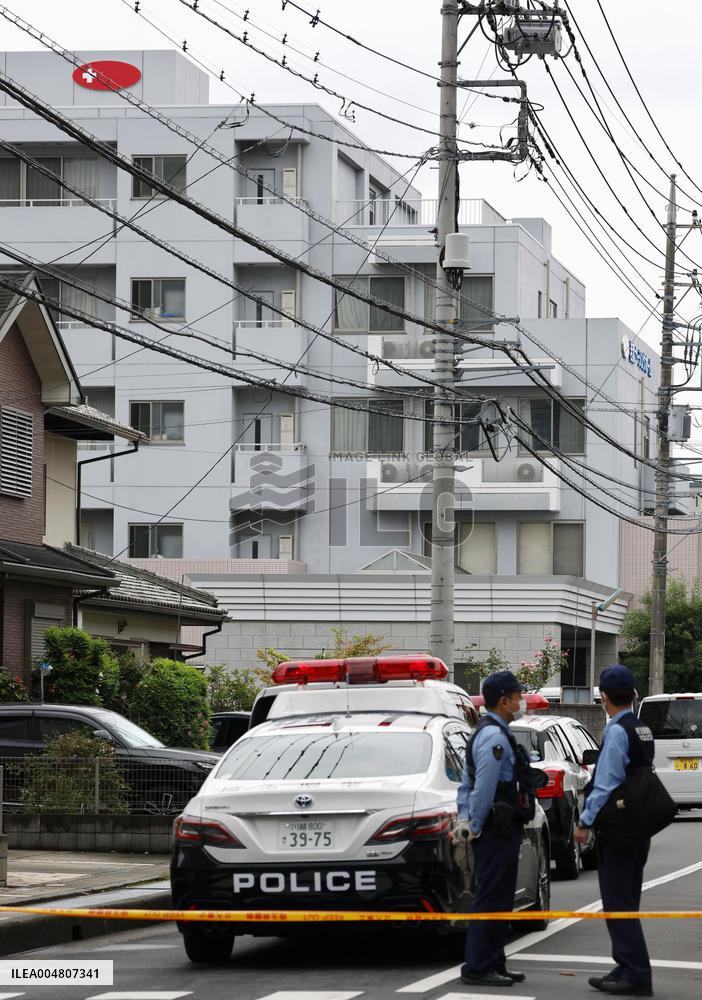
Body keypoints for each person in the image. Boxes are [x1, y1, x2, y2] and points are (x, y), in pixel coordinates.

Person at [574, 665, 654, 997]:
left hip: (619, 829)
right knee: (627, 900)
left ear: (603, 697)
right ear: (634, 694)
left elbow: (605, 782)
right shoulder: (643, 728)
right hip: (639, 825)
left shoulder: (618, 731)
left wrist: (584, 822)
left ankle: (635, 973)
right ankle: (624, 964)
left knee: (617, 902)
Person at [456, 669, 528, 988]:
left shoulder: (490, 731)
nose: (521, 701)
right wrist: (474, 824)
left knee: (500, 897)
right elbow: (483, 787)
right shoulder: (494, 737)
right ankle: (478, 965)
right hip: (495, 829)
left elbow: (466, 782)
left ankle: (495, 960)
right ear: (503, 701)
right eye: (517, 696)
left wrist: (467, 819)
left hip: (499, 827)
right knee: (490, 897)